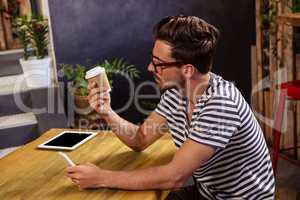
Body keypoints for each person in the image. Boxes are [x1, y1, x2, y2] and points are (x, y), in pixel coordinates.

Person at [66, 15, 275, 199]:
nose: (150, 67)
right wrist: (107, 112)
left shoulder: (221, 104)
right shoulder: (177, 94)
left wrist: (102, 177)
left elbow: (174, 177)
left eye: (158, 63)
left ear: (187, 69)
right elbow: (140, 139)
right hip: (208, 193)